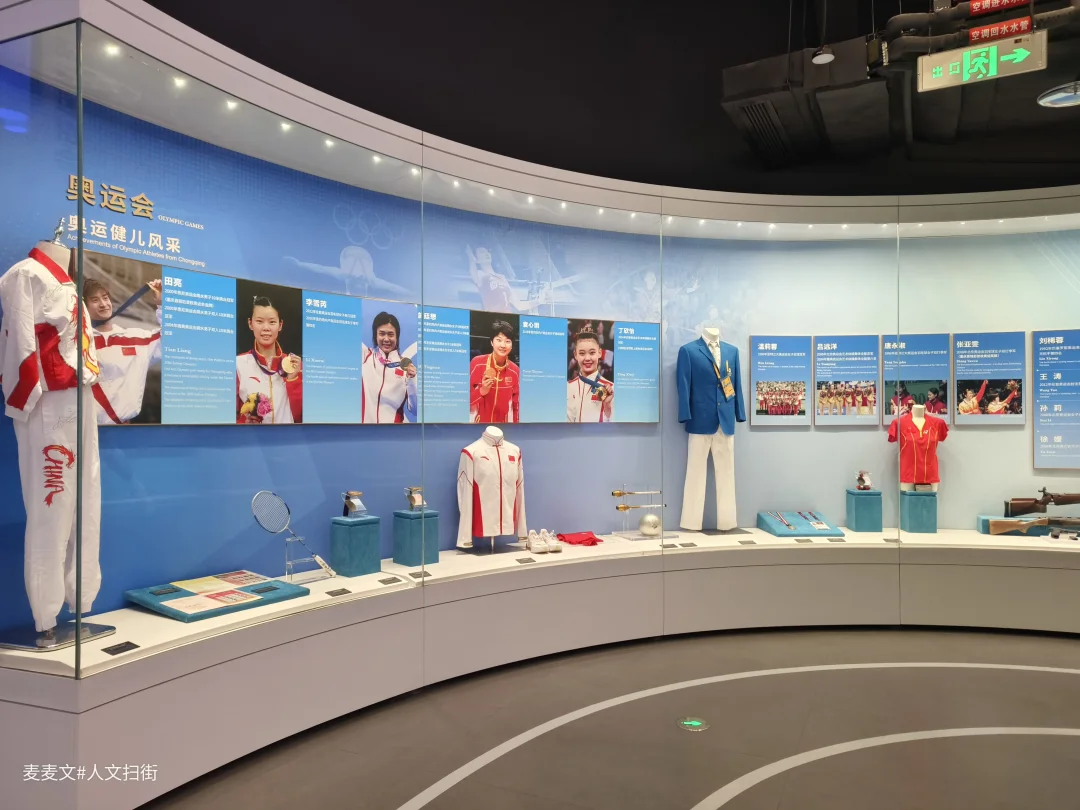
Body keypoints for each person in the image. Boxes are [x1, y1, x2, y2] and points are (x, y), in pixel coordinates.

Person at [83, 277, 162, 424]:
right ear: (83, 307)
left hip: (124, 429)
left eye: (105, 298)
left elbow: (172, 340)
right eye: (95, 300)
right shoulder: (80, 342)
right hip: (87, 429)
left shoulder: (136, 338)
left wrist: (161, 304)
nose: (103, 304)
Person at [236, 295, 302, 424]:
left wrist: (293, 380)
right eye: (259, 321)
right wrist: (245, 424)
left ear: (280, 325)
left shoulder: (295, 365)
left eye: (272, 322)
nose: (266, 328)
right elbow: (230, 417)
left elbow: (302, 417)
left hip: (290, 437)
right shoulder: (238, 364)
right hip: (253, 437)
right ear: (250, 323)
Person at [361, 311, 417, 423]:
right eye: (382, 334)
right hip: (365, 431)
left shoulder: (406, 368)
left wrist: (412, 381)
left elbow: (415, 410)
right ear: (375, 335)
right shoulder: (365, 356)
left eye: (391, 334)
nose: (386, 339)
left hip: (393, 432)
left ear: (397, 337)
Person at [470, 320, 520, 423]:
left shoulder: (515, 371)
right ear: (492, 342)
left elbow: (517, 406)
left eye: (507, 341)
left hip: (503, 427)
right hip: (479, 426)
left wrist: (516, 427)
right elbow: (462, 400)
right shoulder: (477, 363)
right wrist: (481, 391)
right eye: (499, 340)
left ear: (511, 345)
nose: (503, 345)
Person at [567, 329, 614, 422]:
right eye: (582, 353)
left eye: (592, 353)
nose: (587, 358)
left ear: (599, 353)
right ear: (575, 355)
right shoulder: (568, 387)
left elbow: (616, 425)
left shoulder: (611, 389)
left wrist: (607, 405)